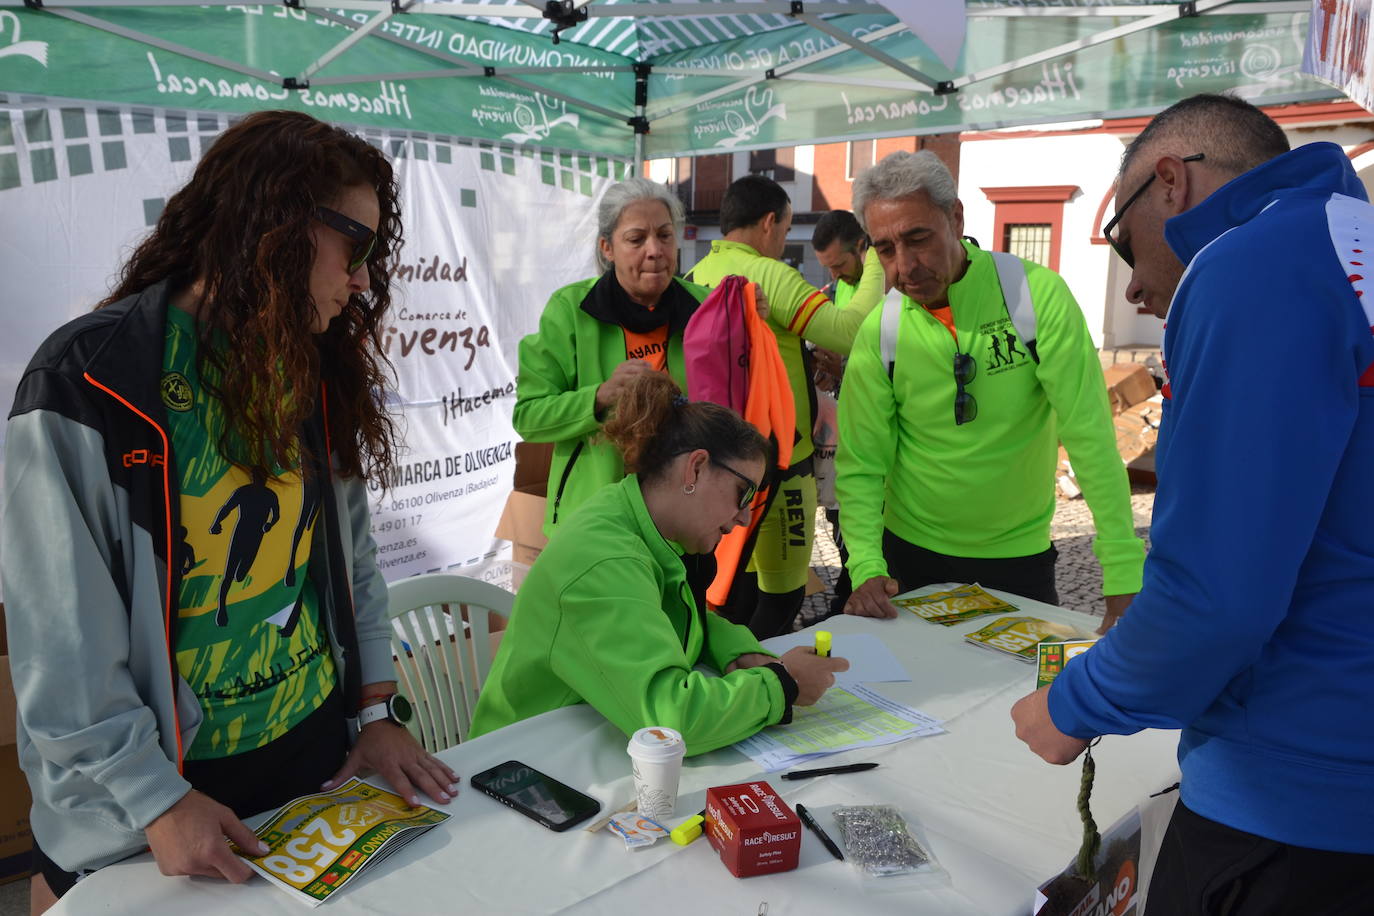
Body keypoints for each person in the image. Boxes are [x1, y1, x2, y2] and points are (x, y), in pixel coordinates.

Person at [1, 110, 455, 910]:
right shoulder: (86, 379)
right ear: (275, 221)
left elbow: (352, 565)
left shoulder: (312, 363)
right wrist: (157, 801)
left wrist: (376, 709)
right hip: (158, 792)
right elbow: (60, 641)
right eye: (356, 245)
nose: (361, 281)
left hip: (314, 753)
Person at [1012, 94, 1374, 914]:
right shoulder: (1351, 245)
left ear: (1169, 182)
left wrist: (1074, 705)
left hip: (1292, 800)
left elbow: (1218, 595)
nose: (1135, 285)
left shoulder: (1255, 264)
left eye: (1123, 244)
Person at [836, 150, 1142, 625]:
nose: (905, 266)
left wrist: (1123, 574)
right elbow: (861, 465)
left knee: (1020, 698)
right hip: (911, 557)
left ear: (955, 217)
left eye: (918, 238)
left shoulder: (1034, 297)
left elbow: (1090, 437)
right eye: (885, 249)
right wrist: (866, 567)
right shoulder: (881, 331)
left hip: (1019, 559)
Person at [470, 373, 849, 751]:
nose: (745, 517)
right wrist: (783, 685)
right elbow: (671, 725)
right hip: (521, 765)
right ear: (695, 468)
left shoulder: (639, 516)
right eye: (743, 492)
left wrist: (737, 650)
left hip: (581, 742)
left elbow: (668, 616)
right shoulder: (606, 559)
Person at [688, 176, 886, 638]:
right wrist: (876, 256)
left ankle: (732, 673)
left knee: (735, 586)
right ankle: (762, 679)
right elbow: (850, 329)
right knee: (783, 595)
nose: (781, 241)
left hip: (720, 461)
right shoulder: (768, 274)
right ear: (770, 222)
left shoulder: (696, 275)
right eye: (785, 228)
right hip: (780, 461)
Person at [808, 209, 880, 617]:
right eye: (828, 268)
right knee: (843, 523)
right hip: (849, 429)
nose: (835, 276)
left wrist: (842, 368)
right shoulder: (844, 289)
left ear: (862, 246)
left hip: (875, 434)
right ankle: (846, 597)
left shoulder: (878, 281)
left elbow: (888, 364)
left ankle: (849, 600)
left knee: (860, 525)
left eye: (840, 265)